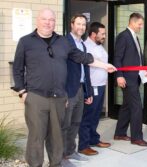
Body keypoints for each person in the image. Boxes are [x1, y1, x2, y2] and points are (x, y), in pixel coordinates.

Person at [13, 8, 116, 167]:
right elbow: (17, 69)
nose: (48, 23)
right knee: (36, 136)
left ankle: (56, 163)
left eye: (51, 20)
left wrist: (104, 65)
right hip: (36, 97)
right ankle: (35, 164)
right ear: (37, 20)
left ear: (55, 22)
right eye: (44, 19)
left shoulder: (62, 41)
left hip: (59, 98)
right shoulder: (26, 41)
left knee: (56, 136)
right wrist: (22, 92)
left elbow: (82, 57)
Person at [113, 13, 147, 147]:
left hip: (136, 77)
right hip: (127, 78)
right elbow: (117, 58)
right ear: (132, 22)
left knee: (127, 107)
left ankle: (119, 133)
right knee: (136, 108)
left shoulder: (135, 37)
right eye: (139, 24)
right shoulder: (123, 36)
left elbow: (136, 58)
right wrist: (119, 75)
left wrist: (143, 68)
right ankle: (136, 138)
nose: (141, 27)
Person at [61, 14, 92, 167]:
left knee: (75, 123)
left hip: (80, 89)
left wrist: (89, 92)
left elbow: (85, 70)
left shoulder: (83, 44)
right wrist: (63, 94)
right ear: (72, 24)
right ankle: (60, 157)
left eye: (83, 24)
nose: (81, 27)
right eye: (78, 24)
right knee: (64, 124)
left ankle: (70, 151)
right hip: (68, 90)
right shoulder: (65, 42)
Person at [78, 22, 111, 156]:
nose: (104, 36)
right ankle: (83, 145)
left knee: (96, 115)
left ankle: (93, 139)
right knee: (88, 116)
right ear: (93, 34)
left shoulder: (99, 46)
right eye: (102, 34)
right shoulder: (86, 47)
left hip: (101, 85)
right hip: (92, 87)